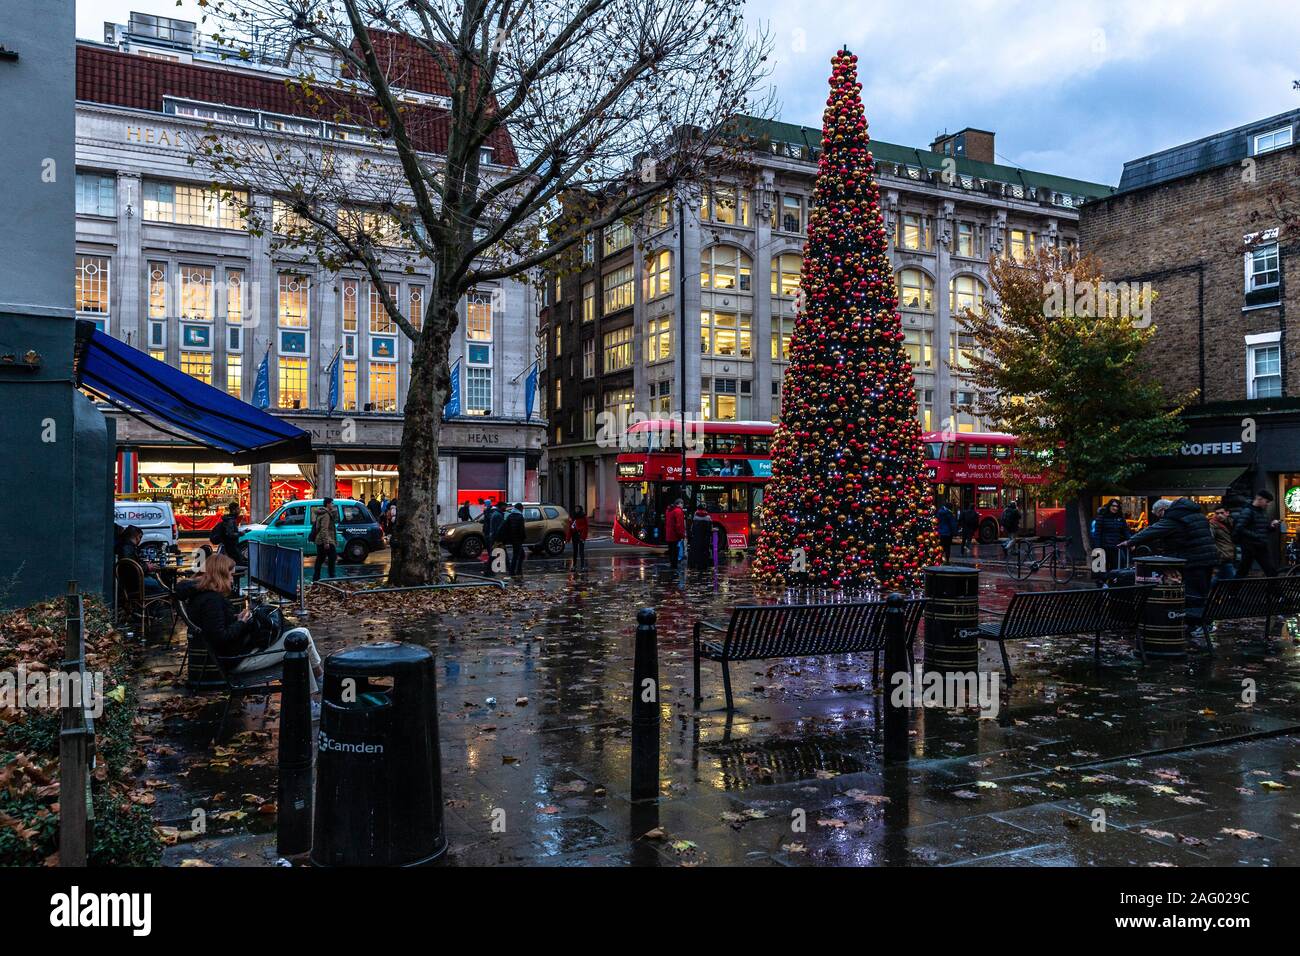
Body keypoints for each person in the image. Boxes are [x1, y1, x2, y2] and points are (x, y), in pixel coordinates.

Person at [176, 553, 322, 687]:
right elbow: (220, 637)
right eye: (231, 575)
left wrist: (236, 618)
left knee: (298, 638)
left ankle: (316, 686)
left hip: (235, 655)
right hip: (239, 659)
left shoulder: (201, 596)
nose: (232, 579)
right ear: (221, 575)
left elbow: (215, 625)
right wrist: (242, 622)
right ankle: (319, 682)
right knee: (301, 636)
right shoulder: (211, 601)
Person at [1124, 498, 1218, 637]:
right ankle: (1205, 623)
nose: (1160, 519)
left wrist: (1131, 541)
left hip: (1193, 560)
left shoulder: (1175, 517)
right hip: (1208, 558)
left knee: (1193, 594)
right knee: (1201, 591)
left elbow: (1154, 530)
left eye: (1159, 515)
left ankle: (1197, 625)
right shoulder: (1195, 514)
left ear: (1162, 510)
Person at [1234, 491, 1281, 578]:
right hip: (1250, 547)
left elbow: (1263, 529)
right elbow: (1239, 528)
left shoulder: (1262, 512)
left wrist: (1272, 526)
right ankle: (1232, 591)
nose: (1268, 504)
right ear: (1260, 499)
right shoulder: (1247, 511)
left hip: (1260, 546)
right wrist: (1256, 536)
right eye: (1267, 502)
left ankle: (1275, 591)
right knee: (1242, 572)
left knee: (1271, 571)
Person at [115, 525, 169, 596]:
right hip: (132, 581)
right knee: (158, 584)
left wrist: (145, 565)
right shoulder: (127, 548)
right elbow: (130, 567)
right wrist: (147, 567)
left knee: (157, 581)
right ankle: (160, 602)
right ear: (137, 537)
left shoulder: (126, 546)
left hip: (130, 580)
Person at [1091, 498, 1131, 572]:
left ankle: (1112, 581)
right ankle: (1103, 582)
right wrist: (1097, 547)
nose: (1115, 508)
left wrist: (1131, 541)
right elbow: (1097, 533)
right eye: (1113, 506)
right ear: (1109, 506)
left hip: (1116, 547)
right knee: (1102, 569)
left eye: (1117, 507)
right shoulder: (1101, 517)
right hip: (1104, 547)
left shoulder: (1120, 518)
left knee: (1117, 567)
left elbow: (1125, 530)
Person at [1207, 504, 1237, 585]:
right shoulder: (1212, 524)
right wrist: (1218, 554)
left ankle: (1207, 594)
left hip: (1230, 555)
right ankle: (1233, 596)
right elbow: (1211, 540)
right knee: (1233, 578)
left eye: (1221, 513)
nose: (1219, 515)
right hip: (1223, 556)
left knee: (1218, 578)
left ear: (1227, 513)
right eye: (1217, 513)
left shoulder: (1232, 523)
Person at [311, 497, 338, 583]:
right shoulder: (326, 514)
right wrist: (326, 542)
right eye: (332, 503)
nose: (333, 505)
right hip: (326, 540)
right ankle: (332, 576)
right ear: (328, 504)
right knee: (332, 557)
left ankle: (316, 578)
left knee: (320, 559)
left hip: (320, 540)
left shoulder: (321, 513)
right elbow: (324, 529)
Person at [500, 502, 527, 577]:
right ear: (520, 509)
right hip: (518, 539)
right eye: (522, 509)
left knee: (520, 554)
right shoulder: (520, 517)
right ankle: (514, 570)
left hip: (512, 538)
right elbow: (521, 529)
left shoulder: (510, 516)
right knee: (518, 555)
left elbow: (506, 527)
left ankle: (517, 570)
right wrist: (523, 538)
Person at [687, 505, 715, 571]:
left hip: (697, 539)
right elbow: (710, 529)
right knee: (705, 551)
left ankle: (697, 565)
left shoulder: (695, 517)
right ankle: (704, 565)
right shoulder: (708, 517)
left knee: (697, 551)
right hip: (706, 539)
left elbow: (692, 529)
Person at [664, 499, 687, 570]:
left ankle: (672, 565)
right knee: (675, 551)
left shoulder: (668, 510)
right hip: (675, 536)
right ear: (679, 504)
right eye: (682, 504)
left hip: (669, 535)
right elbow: (679, 525)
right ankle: (674, 567)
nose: (682, 506)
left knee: (671, 551)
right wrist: (682, 535)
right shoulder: (678, 511)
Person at [568, 506, 589, 571]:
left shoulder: (583, 516)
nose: (576, 510)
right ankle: (574, 565)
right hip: (574, 535)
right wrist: (568, 538)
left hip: (581, 535)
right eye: (576, 509)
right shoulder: (573, 517)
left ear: (580, 510)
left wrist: (583, 537)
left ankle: (582, 566)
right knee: (575, 551)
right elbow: (570, 528)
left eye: (578, 509)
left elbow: (586, 527)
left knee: (581, 551)